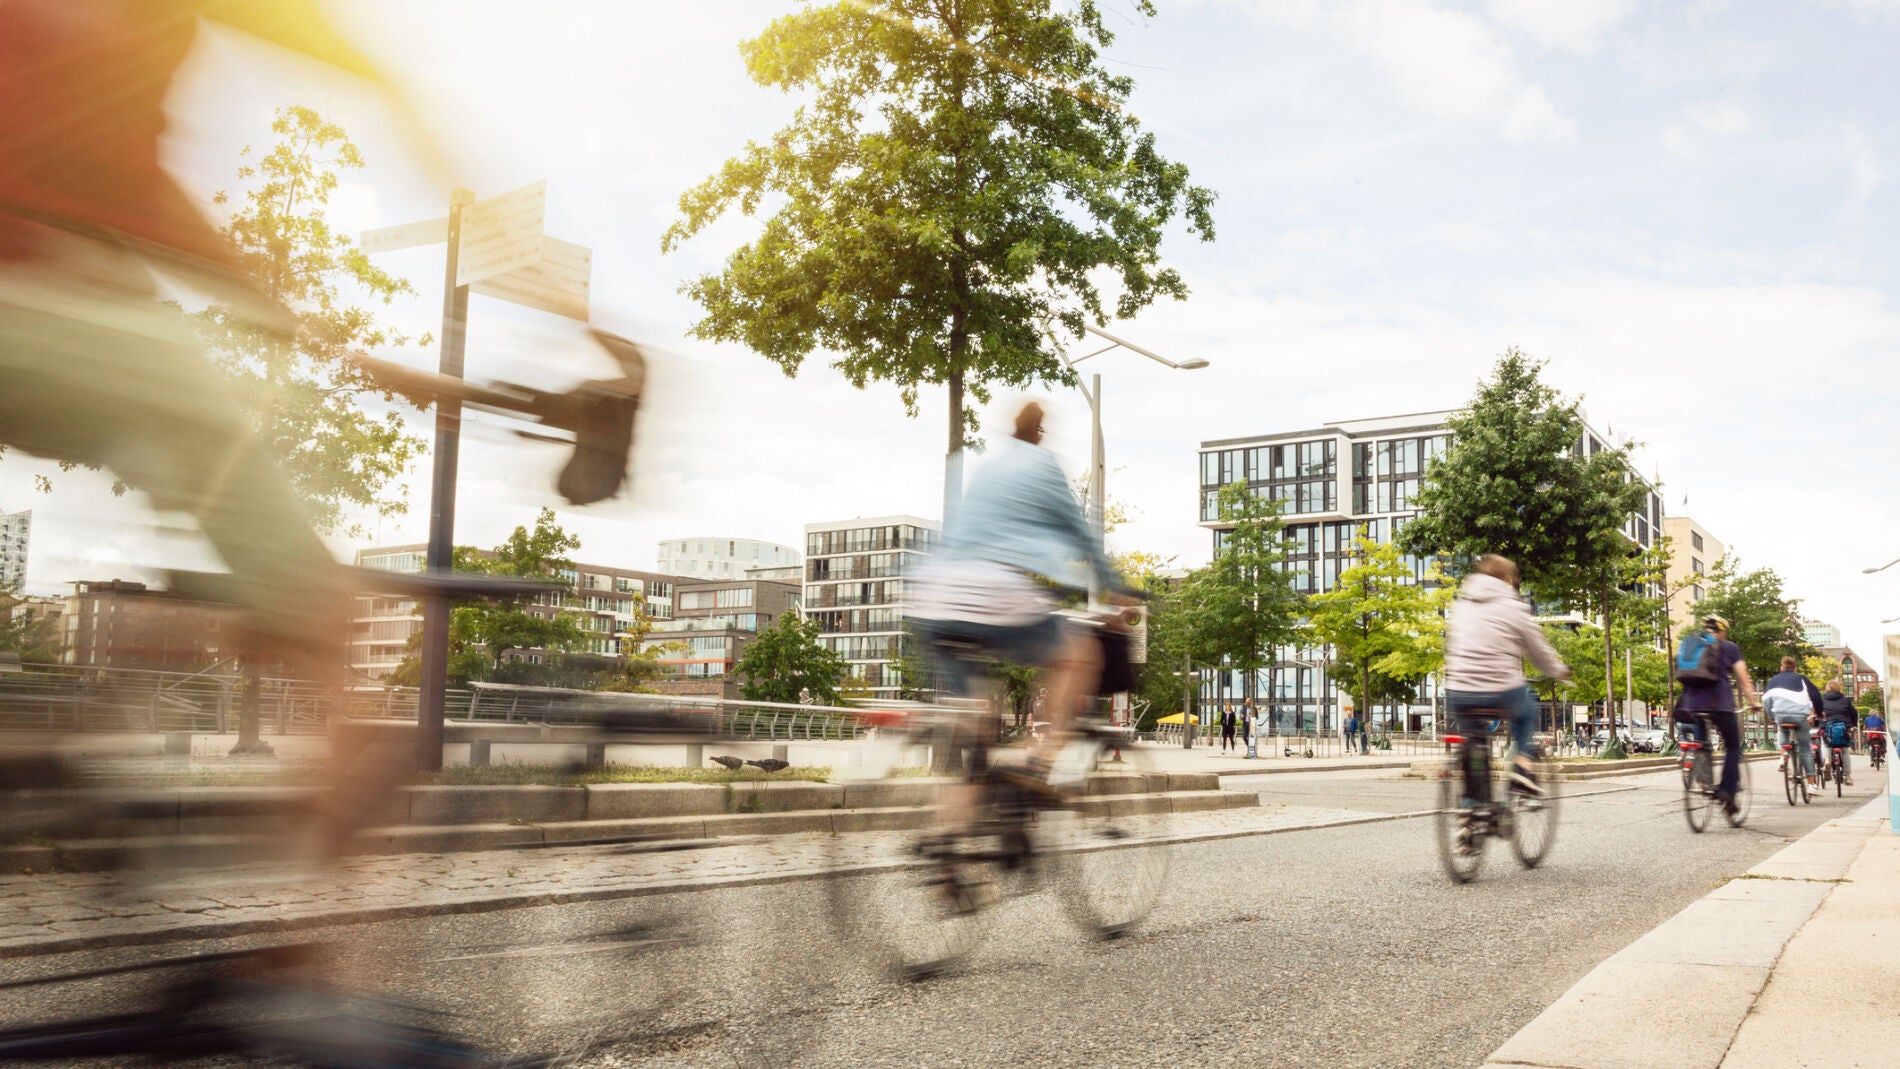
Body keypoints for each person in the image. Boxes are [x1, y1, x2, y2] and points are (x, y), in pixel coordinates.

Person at [910, 400, 1133, 798]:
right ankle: (1036, 760)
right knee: (1080, 656)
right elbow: (1081, 534)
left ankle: (947, 841)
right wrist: (1113, 588)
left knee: (976, 723)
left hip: (935, 596)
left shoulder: (988, 469)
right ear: (1039, 432)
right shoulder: (1044, 466)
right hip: (993, 590)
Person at [1443, 554, 1572, 799]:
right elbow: (1539, 651)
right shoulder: (1513, 606)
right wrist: (1558, 670)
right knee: (1529, 710)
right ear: (1508, 579)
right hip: (1500, 689)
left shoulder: (1461, 605)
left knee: (1473, 746)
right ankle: (1522, 768)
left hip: (1458, 690)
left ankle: (1469, 815)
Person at [1674, 614, 1760, 816]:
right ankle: (1727, 792)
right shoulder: (1729, 647)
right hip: (1720, 704)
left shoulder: (1690, 643)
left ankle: (1703, 778)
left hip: (1692, 705)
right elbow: (1743, 679)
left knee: (1702, 742)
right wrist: (1753, 702)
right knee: (1732, 746)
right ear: (1721, 631)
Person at [1762, 656, 1823, 788]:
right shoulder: (1801, 678)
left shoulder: (1773, 681)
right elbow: (1816, 696)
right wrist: (1818, 712)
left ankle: (1783, 754)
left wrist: (1772, 716)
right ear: (1795, 668)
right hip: (1800, 716)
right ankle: (1811, 785)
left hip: (1781, 715)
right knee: (1805, 749)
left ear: (1781, 668)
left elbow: (1766, 701)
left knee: (1782, 728)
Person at [1817, 678, 1858, 787]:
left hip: (1827, 728)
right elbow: (1854, 714)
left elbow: (1818, 715)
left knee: (1825, 744)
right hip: (1843, 728)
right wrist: (1852, 724)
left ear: (1828, 689)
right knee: (1844, 750)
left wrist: (1820, 725)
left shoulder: (1822, 700)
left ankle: (1827, 761)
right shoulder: (1845, 700)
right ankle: (1847, 776)